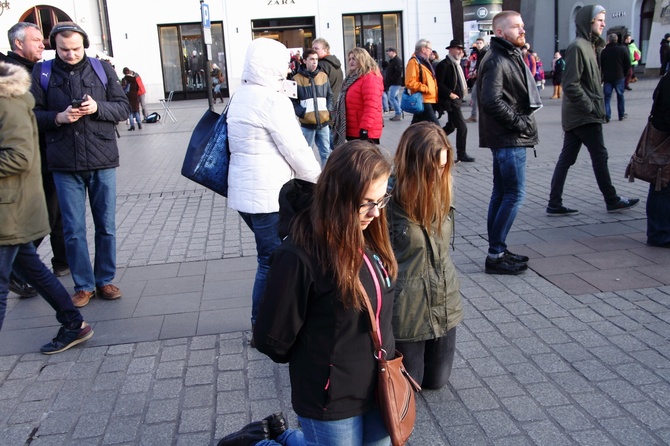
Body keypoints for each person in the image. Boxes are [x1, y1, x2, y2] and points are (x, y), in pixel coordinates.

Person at [254, 140, 398, 446]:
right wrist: (322, 361)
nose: (375, 213)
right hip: (330, 400)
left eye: (381, 199)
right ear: (338, 197)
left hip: (380, 385)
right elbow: (272, 340)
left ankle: (284, 436)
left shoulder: (369, 235)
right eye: (366, 203)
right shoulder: (298, 256)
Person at [31, 22, 131, 307]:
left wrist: (98, 108)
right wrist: (58, 118)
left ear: (84, 45)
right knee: (73, 230)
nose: (71, 54)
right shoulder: (43, 72)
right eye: (64, 49)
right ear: (55, 47)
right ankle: (83, 285)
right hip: (64, 163)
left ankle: (105, 280)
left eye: (75, 49)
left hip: (102, 159)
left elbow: (123, 107)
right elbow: (33, 114)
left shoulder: (102, 69)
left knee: (106, 226)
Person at [226, 38, 321, 335]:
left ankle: (278, 318)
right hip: (268, 196)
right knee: (271, 261)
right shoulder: (271, 100)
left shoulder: (240, 95)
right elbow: (297, 150)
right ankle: (263, 327)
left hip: (245, 194)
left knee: (276, 256)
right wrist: (321, 181)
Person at [0, 61, 94, 354]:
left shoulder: (8, 103)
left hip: (9, 210)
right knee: (34, 270)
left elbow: (20, 157)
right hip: (9, 208)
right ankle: (73, 324)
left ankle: (74, 323)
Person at [389, 122, 463, 390]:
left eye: (444, 165)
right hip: (407, 308)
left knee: (437, 382)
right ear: (413, 165)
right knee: (412, 385)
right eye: (433, 168)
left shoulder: (443, 188)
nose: (440, 173)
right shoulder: (388, 200)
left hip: (444, 300)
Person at [546, 6, 639, 216]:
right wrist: (590, 107)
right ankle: (611, 199)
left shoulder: (592, 46)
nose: (603, 24)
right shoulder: (579, 47)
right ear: (588, 22)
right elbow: (571, 84)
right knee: (599, 155)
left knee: (567, 158)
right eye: (599, 20)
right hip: (584, 115)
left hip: (580, 115)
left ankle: (554, 202)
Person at [2, 22, 71, 299]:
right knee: (44, 218)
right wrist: (56, 116)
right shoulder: (12, 76)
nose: (43, 44)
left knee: (52, 216)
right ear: (18, 44)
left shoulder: (36, 70)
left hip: (43, 155)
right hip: (29, 163)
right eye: (36, 40)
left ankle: (58, 270)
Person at [478, 10, 541, 275]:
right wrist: (520, 123)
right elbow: (491, 100)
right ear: (500, 32)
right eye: (516, 27)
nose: (522, 31)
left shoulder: (507, 55)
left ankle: (498, 249)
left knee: (502, 193)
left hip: (507, 137)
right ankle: (495, 254)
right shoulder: (497, 59)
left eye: (523, 26)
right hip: (509, 138)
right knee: (513, 195)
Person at [333, 47, 384, 147]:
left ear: (362, 60)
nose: (351, 61)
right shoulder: (352, 78)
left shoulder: (370, 78)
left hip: (364, 131)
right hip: (353, 129)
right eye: (350, 59)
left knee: (365, 160)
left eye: (354, 59)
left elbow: (371, 106)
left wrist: (365, 129)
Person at [435, 39, 475, 163]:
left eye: (461, 49)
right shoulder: (444, 64)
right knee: (462, 127)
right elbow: (439, 84)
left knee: (451, 126)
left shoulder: (458, 64)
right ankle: (461, 154)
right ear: (450, 50)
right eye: (457, 49)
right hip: (450, 101)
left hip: (457, 100)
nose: (460, 51)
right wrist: (450, 94)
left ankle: (433, 139)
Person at [292, 48, 333, 166]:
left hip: (323, 122)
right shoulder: (296, 79)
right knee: (306, 153)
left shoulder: (324, 76)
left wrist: (328, 111)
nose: (314, 62)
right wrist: (302, 113)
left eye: (316, 59)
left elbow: (330, 95)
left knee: (325, 153)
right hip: (307, 124)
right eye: (311, 59)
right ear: (304, 60)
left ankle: (325, 180)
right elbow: (293, 101)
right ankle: (308, 180)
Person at [646, 73, 670, 248]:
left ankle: (660, 231)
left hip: (662, 136)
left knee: (662, 185)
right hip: (664, 139)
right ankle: (658, 233)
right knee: (661, 185)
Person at [312, 38, 344, 150]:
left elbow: (317, 88)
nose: (313, 51)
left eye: (316, 48)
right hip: (335, 106)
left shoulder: (322, 66)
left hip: (325, 109)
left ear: (325, 49)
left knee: (326, 147)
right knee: (334, 143)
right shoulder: (336, 65)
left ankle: (336, 166)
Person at [405, 39, 440, 126]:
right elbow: (409, 82)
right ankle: (441, 139)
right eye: (430, 49)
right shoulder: (414, 62)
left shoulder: (425, 62)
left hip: (429, 99)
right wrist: (425, 88)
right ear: (423, 49)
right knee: (436, 126)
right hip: (423, 99)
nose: (431, 52)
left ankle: (409, 138)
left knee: (417, 126)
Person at [600, 33, 630, 122]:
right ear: (617, 40)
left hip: (607, 78)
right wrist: (624, 74)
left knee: (607, 97)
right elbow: (627, 63)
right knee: (620, 96)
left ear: (608, 40)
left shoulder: (604, 52)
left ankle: (607, 115)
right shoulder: (622, 50)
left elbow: (601, 65)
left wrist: (602, 75)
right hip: (619, 76)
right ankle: (621, 114)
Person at [466, 38, 486, 123]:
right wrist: (474, 72)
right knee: (477, 97)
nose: (478, 45)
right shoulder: (479, 53)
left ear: (483, 44)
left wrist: (475, 73)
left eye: (480, 43)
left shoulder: (484, 53)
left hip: (482, 78)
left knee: (475, 96)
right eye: (477, 43)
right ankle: (475, 116)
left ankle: (475, 116)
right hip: (480, 78)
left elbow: (484, 67)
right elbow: (479, 66)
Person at [385, 47, 403, 122]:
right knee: (395, 98)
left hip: (395, 83)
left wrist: (392, 79)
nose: (388, 53)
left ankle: (398, 113)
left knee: (391, 97)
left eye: (389, 51)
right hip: (393, 83)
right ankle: (399, 113)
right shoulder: (392, 61)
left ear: (393, 52)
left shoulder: (397, 61)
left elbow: (398, 71)